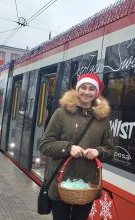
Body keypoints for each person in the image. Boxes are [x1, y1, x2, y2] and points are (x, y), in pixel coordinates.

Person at [39, 73, 114, 220]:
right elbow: (45, 145)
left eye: (91, 89)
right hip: (61, 182)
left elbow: (110, 151)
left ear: (96, 92)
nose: (87, 92)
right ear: (77, 89)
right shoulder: (61, 113)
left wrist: (98, 151)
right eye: (83, 87)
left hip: (87, 184)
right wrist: (67, 148)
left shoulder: (102, 119)